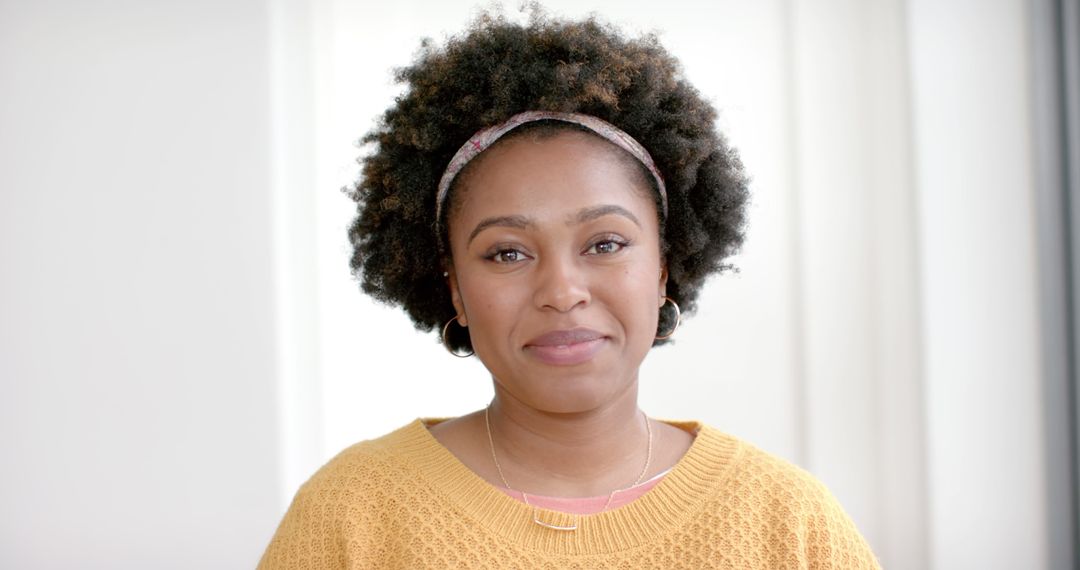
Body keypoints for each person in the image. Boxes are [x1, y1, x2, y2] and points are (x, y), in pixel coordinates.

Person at [259, 10, 880, 569]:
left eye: (605, 243)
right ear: (454, 290)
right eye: (507, 252)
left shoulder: (789, 523)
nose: (562, 291)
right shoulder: (350, 517)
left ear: (663, 266)